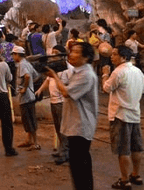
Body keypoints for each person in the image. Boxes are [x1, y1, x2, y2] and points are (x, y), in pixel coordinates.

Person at [46, 43, 99, 190]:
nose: (71, 54)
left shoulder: (86, 75)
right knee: (78, 165)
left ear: (86, 57)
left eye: (76, 52)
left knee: (80, 165)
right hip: (75, 123)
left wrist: (54, 76)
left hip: (81, 125)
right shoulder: (78, 72)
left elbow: (66, 92)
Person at [102, 46, 144, 189]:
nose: (111, 56)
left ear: (123, 58)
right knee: (136, 147)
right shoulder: (138, 71)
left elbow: (106, 88)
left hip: (120, 115)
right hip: (135, 114)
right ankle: (136, 174)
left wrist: (105, 74)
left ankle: (124, 179)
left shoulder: (118, 72)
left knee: (123, 149)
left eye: (115, 54)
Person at [36, 45, 70, 165]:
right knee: (57, 127)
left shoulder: (66, 69)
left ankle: (65, 152)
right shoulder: (54, 68)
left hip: (62, 102)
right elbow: (47, 80)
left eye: (56, 53)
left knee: (63, 128)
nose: (52, 56)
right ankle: (62, 149)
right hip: (54, 101)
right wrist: (40, 90)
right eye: (52, 52)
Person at [12, 45, 39, 150]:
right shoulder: (27, 63)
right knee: (28, 120)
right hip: (29, 96)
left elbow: (27, 76)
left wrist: (24, 88)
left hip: (26, 97)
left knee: (29, 120)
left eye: (14, 55)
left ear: (17, 55)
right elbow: (35, 76)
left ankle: (35, 143)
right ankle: (29, 140)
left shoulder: (22, 65)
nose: (13, 57)